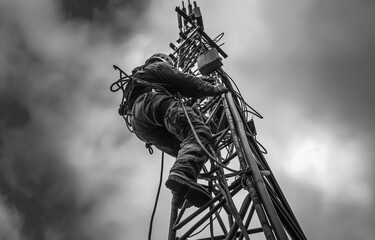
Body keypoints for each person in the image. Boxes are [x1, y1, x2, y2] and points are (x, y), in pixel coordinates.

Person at [125, 53, 227, 208]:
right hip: (152, 104)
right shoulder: (158, 66)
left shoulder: (141, 78)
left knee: (196, 145)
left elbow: (180, 96)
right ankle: (183, 174)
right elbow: (184, 81)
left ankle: (181, 191)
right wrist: (212, 89)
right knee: (199, 133)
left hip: (141, 125)